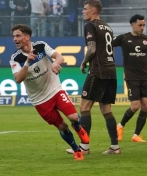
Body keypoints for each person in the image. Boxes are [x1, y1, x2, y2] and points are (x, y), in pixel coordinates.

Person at [9, 24, 89, 160]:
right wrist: (27, 62)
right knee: (62, 126)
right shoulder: (16, 59)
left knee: (74, 117)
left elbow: (59, 56)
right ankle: (77, 150)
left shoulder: (40, 46)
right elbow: (18, 79)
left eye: (18, 36)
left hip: (55, 90)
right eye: (13, 37)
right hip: (39, 100)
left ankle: (78, 127)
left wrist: (55, 63)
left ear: (27, 37)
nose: (15, 39)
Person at [66, 0, 120, 155]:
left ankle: (84, 147)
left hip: (98, 70)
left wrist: (84, 62)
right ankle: (115, 147)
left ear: (93, 11)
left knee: (84, 107)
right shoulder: (107, 27)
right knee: (106, 109)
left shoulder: (90, 25)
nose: (83, 11)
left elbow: (92, 48)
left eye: (85, 9)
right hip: (111, 70)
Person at [112, 14, 147, 143]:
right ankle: (120, 126)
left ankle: (136, 135)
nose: (142, 28)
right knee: (135, 106)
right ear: (132, 25)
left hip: (145, 77)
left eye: (143, 25)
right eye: (140, 25)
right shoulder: (124, 38)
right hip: (132, 77)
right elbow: (108, 45)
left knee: (145, 106)